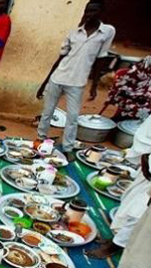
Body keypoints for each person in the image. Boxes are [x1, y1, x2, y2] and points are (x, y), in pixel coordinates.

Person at [86, 89, 151, 259]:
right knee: (132, 200)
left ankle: (116, 245)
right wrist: (145, 150)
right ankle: (116, 239)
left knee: (140, 209)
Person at [36, 1, 115, 159]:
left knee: (72, 117)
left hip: (77, 82)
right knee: (47, 113)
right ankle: (40, 139)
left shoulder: (107, 32)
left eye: (93, 11)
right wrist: (44, 83)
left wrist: (94, 86)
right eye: (87, 11)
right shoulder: (74, 33)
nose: (89, 14)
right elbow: (60, 59)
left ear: (100, 12)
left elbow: (101, 59)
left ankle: (68, 147)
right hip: (58, 78)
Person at [104, 54, 151, 121]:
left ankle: (128, 122)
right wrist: (137, 96)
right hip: (122, 97)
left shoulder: (149, 75)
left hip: (138, 99)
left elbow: (148, 91)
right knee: (143, 110)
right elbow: (120, 89)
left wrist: (143, 96)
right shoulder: (132, 73)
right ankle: (119, 120)